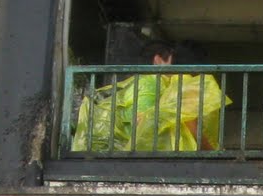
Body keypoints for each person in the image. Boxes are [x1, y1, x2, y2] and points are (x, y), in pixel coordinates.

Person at [71, 40, 229, 153]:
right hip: (128, 157)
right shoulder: (151, 83)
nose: (173, 69)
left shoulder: (145, 85)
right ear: (158, 60)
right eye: (171, 61)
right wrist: (211, 151)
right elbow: (142, 122)